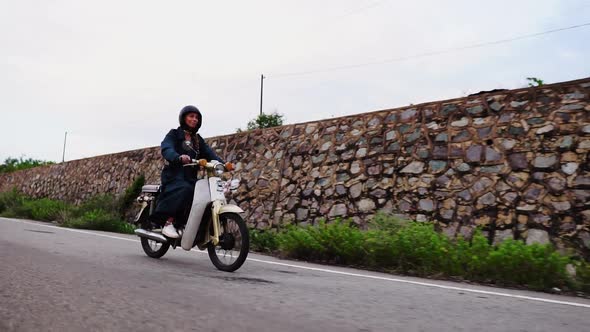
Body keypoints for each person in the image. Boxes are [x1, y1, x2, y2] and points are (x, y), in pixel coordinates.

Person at [152, 105, 224, 238]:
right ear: (184, 118)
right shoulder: (174, 134)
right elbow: (166, 148)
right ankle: (169, 222)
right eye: (191, 116)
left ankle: (192, 225)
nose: (194, 119)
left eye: (197, 117)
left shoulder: (197, 140)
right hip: (174, 175)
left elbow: (209, 153)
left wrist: (222, 164)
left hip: (190, 176)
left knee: (204, 192)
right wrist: (177, 157)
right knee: (185, 189)